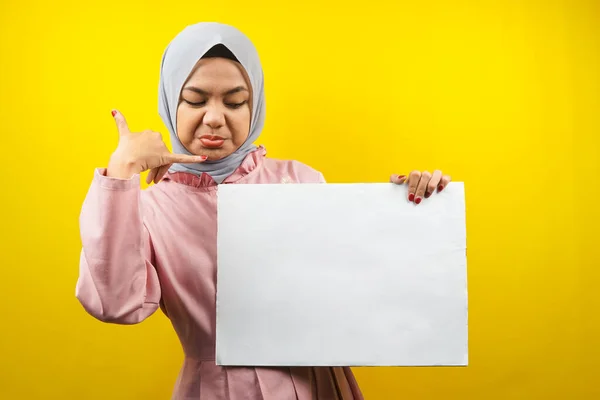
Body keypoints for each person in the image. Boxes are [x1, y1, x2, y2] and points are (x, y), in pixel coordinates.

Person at [75, 22, 451, 400]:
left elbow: (362, 282)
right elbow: (115, 303)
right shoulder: (145, 208)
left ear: (255, 107)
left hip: (316, 385)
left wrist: (416, 211)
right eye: (195, 99)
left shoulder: (301, 180)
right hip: (218, 390)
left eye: (235, 102)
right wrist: (120, 171)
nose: (215, 118)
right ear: (171, 101)